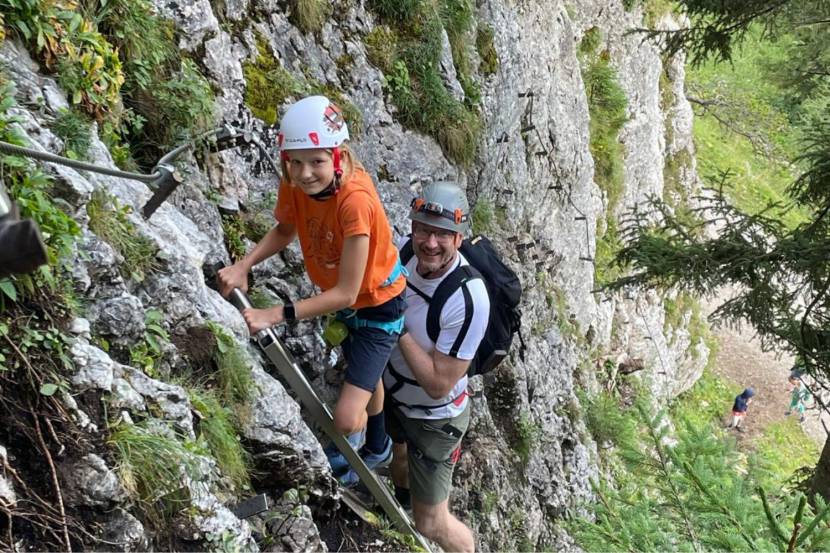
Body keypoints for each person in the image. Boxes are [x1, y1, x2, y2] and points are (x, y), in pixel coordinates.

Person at [218, 95, 405, 482]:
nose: (304, 173)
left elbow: (346, 294)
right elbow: (286, 230)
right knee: (364, 375)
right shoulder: (296, 183)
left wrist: (277, 314)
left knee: (346, 416)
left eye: (317, 161)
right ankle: (379, 445)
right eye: (296, 161)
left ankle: (361, 449)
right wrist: (243, 265)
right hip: (349, 303)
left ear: (339, 157)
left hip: (377, 307)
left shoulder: (355, 202)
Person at [381, 181, 489, 553]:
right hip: (394, 393)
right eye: (424, 229)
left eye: (443, 234)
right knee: (397, 455)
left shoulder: (467, 298)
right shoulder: (407, 253)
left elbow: (439, 383)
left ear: (458, 238)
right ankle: (396, 511)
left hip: (433, 419)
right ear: (413, 227)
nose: (430, 242)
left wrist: (395, 327)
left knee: (431, 522)